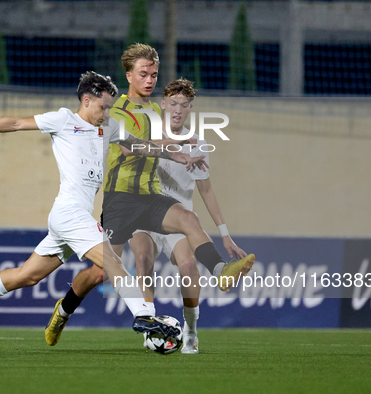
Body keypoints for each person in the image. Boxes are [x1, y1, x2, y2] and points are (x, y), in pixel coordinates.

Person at [0, 71, 206, 338]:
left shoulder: (109, 127)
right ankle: (143, 316)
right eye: (103, 107)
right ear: (87, 100)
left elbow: (137, 146)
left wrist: (174, 152)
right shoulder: (63, 120)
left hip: (73, 216)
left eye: (110, 108)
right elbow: (14, 123)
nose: (106, 113)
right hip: (69, 213)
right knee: (111, 260)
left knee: (28, 276)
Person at [44, 45, 254, 348]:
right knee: (100, 272)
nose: (150, 80)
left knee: (188, 218)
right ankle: (63, 310)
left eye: (154, 74)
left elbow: (159, 140)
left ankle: (221, 271)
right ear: (129, 75)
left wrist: (182, 145)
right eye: (143, 74)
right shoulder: (115, 111)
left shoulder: (155, 110)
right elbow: (133, 146)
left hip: (150, 196)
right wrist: (175, 149)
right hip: (120, 200)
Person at [129, 78, 247, 353]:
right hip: (145, 215)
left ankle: (191, 330)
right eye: (173, 104)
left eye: (183, 105)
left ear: (191, 108)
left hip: (179, 219)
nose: (178, 110)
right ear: (163, 105)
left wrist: (225, 234)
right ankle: (150, 326)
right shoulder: (148, 134)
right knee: (143, 258)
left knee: (188, 266)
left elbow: (206, 190)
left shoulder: (198, 144)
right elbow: (136, 149)